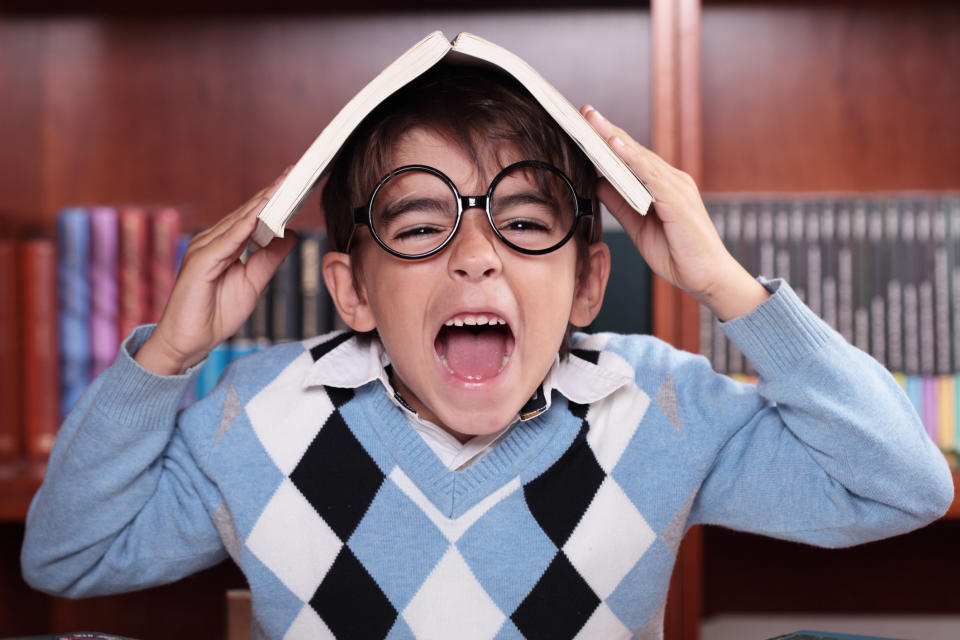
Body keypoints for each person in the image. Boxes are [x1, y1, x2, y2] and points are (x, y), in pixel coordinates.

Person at [22, 62, 953, 640]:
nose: (476, 255)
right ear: (350, 291)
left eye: (519, 220)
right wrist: (166, 357)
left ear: (588, 284)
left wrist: (727, 287)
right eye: (424, 224)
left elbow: (903, 484)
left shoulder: (663, 409)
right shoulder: (255, 419)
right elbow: (69, 559)